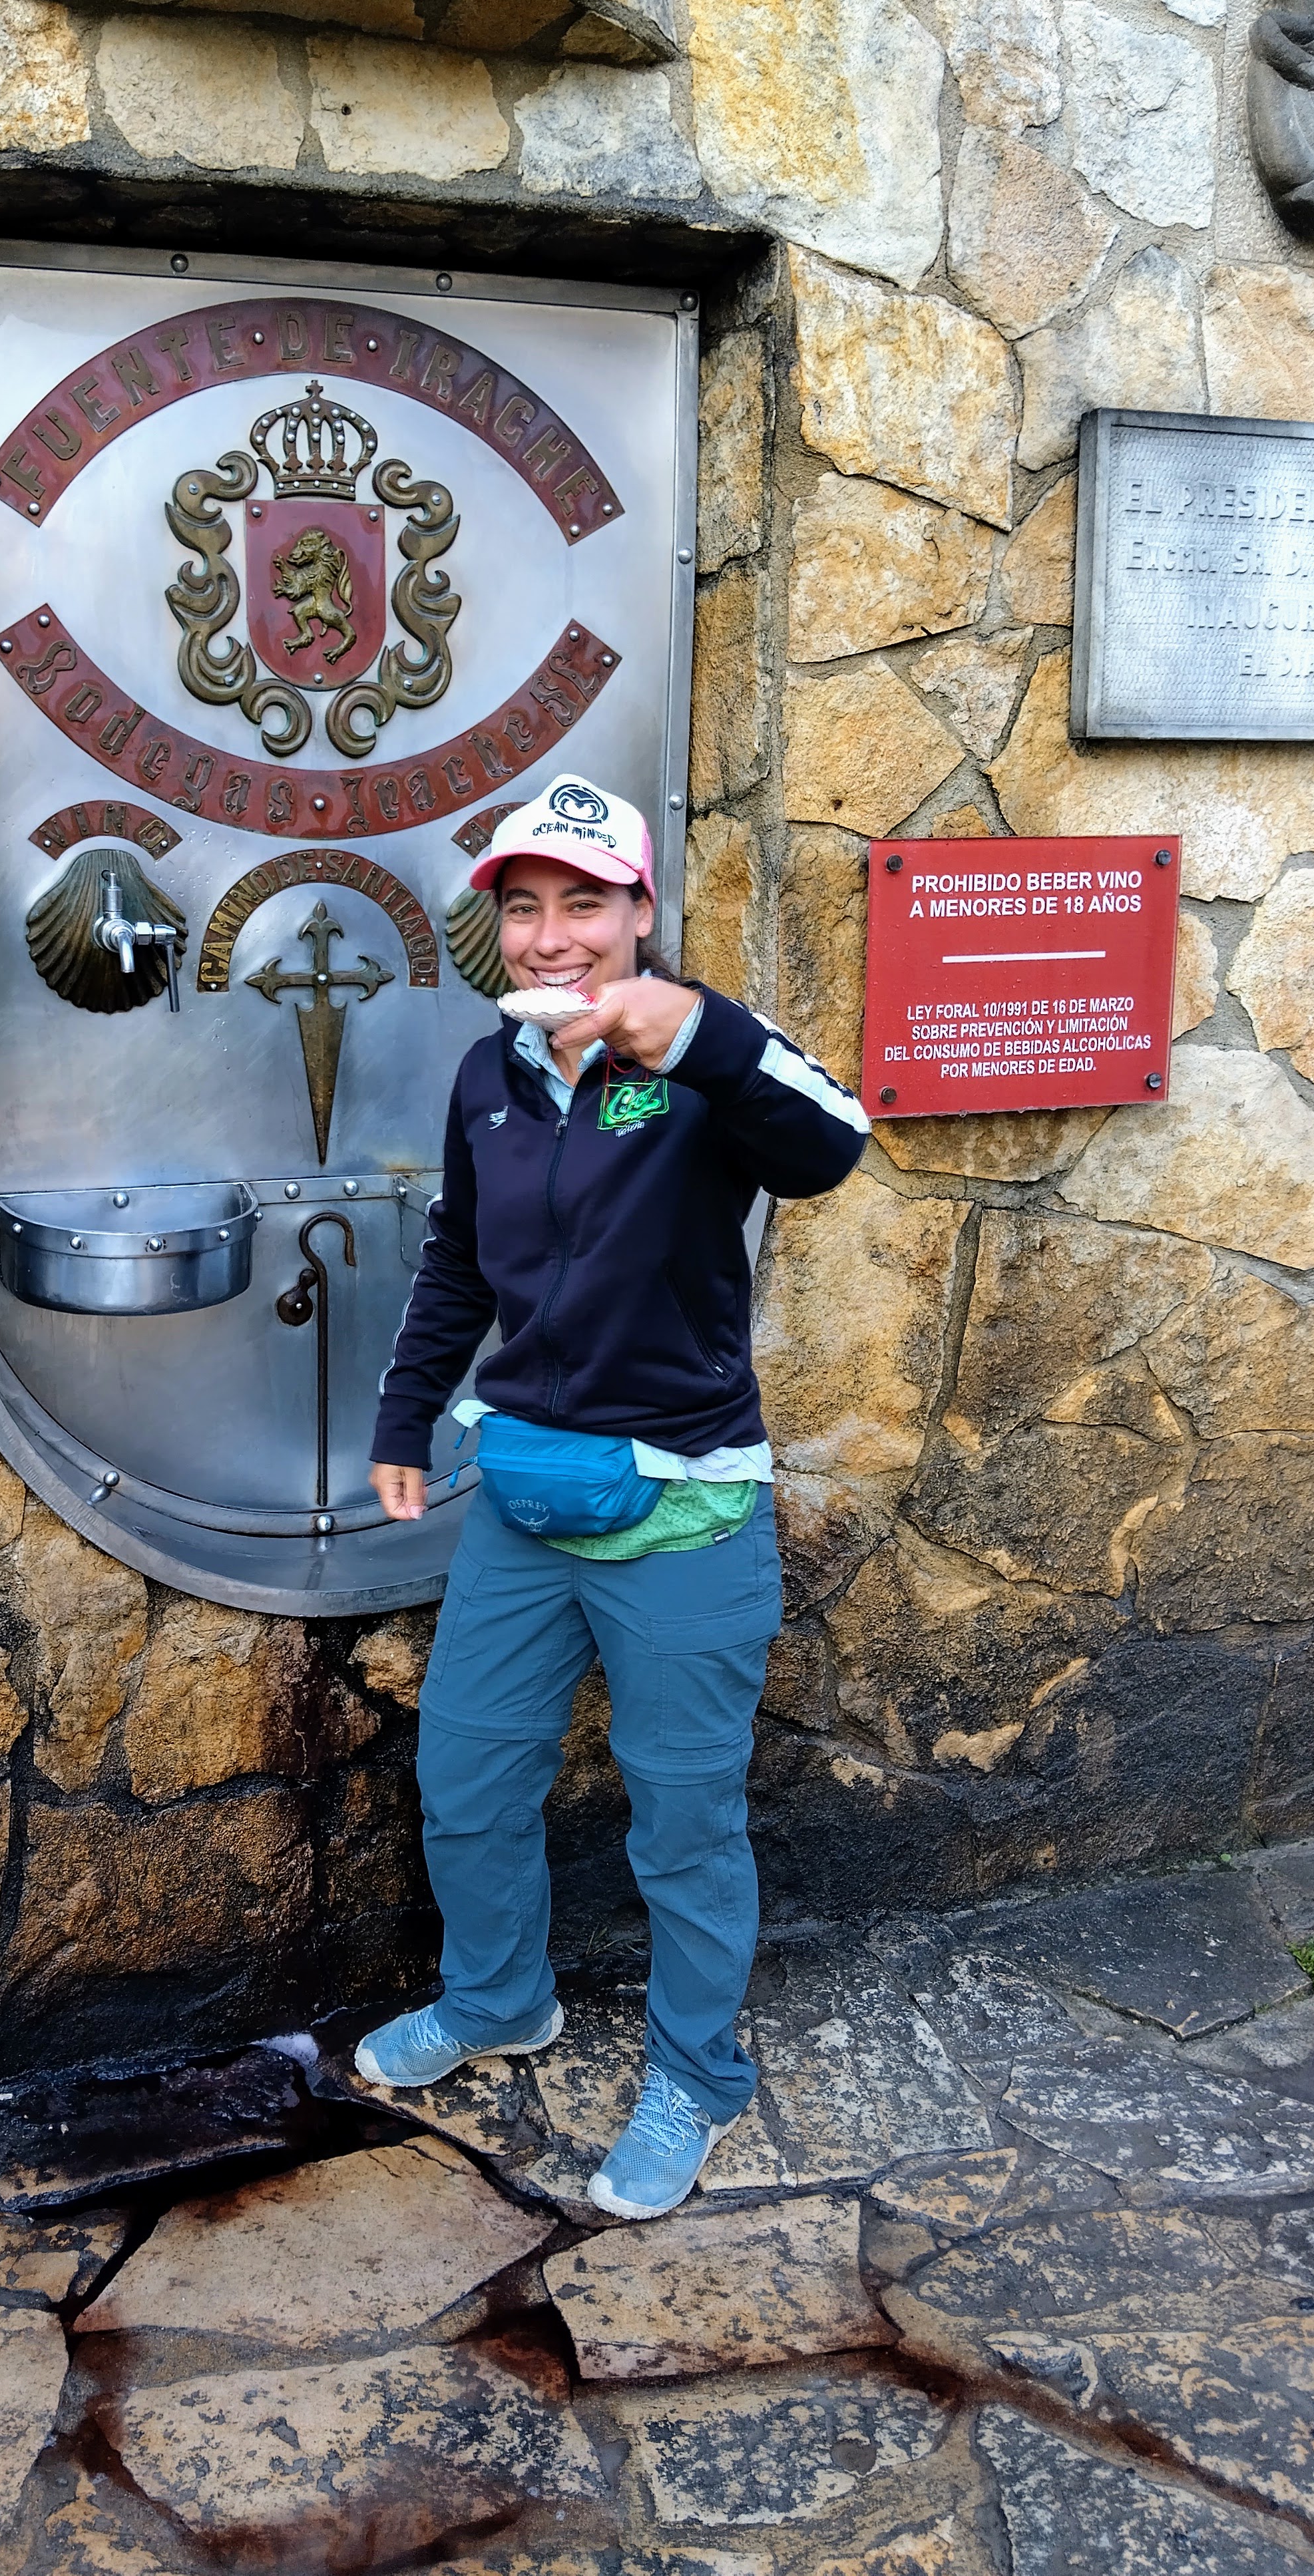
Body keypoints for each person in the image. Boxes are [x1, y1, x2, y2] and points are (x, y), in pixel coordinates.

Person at [357, 779, 870, 2219]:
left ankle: (696, 2078)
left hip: (688, 1511)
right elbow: (460, 1261)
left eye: (584, 902)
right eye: (523, 907)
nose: (549, 935)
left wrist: (699, 1037)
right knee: (465, 1782)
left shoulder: (707, 1059)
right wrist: (407, 1419)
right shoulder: (488, 1076)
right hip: (528, 1494)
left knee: (683, 1822)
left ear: (641, 913)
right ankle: (494, 2001)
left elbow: (836, 1144)